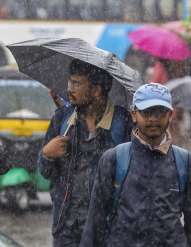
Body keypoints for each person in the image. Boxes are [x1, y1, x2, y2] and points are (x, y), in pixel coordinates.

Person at [80, 83, 191, 247]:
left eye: (159, 112)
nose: (153, 119)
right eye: (146, 112)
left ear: (170, 114)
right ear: (134, 114)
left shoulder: (186, 163)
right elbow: (95, 223)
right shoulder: (113, 159)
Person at [38, 59, 133, 247]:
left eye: (77, 83)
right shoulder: (63, 119)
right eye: (69, 82)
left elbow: (133, 176)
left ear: (97, 90)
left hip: (107, 229)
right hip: (66, 227)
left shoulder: (122, 123)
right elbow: (45, 172)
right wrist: (46, 155)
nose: (69, 89)